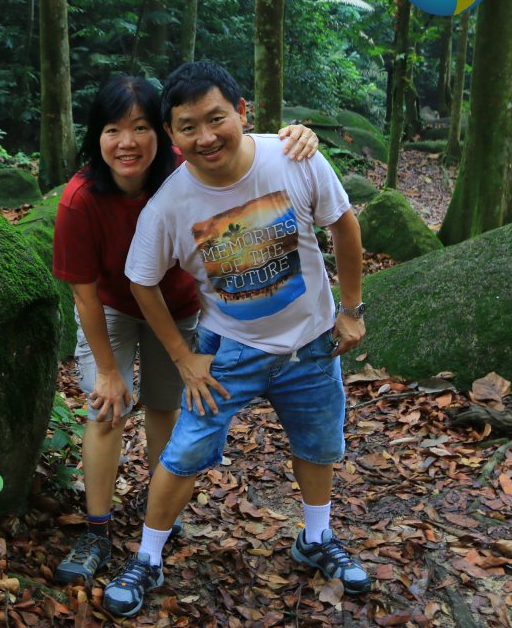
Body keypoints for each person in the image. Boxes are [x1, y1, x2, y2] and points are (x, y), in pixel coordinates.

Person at [100, 61, 369, 617]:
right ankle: (149, 557)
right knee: (186, 451)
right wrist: (182, 358)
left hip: (312, 343)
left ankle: (315, 538)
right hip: (230, 349)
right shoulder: (169, 205)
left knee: (318, 444)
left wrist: (350, 310)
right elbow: (139, 280)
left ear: (242, 113)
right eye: (188, 126)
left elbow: (344, 224)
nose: (206, 137)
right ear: (172, 135)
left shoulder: (293, 157)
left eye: (216, 118)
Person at [51, 74, 319, 586]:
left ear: (164, 133)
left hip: (176, 308)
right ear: (96, 136)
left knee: (164, 405)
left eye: (141, 127)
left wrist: (299, 135)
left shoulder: (187, 172)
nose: (127, 142)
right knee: (107, 408)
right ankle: (98, 529)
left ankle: (158, 522)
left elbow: (240, 149)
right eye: (112, 129)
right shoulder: (80, 199)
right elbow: (83, 293)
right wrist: (108, 370)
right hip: (110, 306)